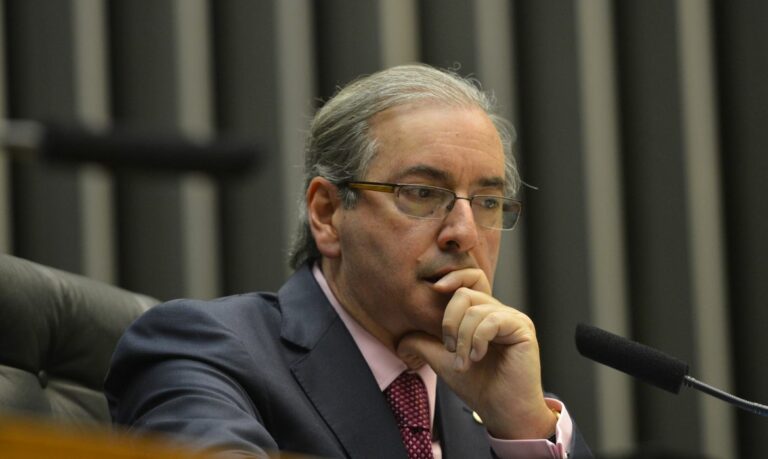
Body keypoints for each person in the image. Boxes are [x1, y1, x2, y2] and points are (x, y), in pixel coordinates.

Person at [105, 64, 592, 458]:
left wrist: (524, 427)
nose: (463, 233)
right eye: (422, 194)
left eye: (487, 202)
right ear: (328, 213)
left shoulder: (495, 402)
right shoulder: (205, 350)